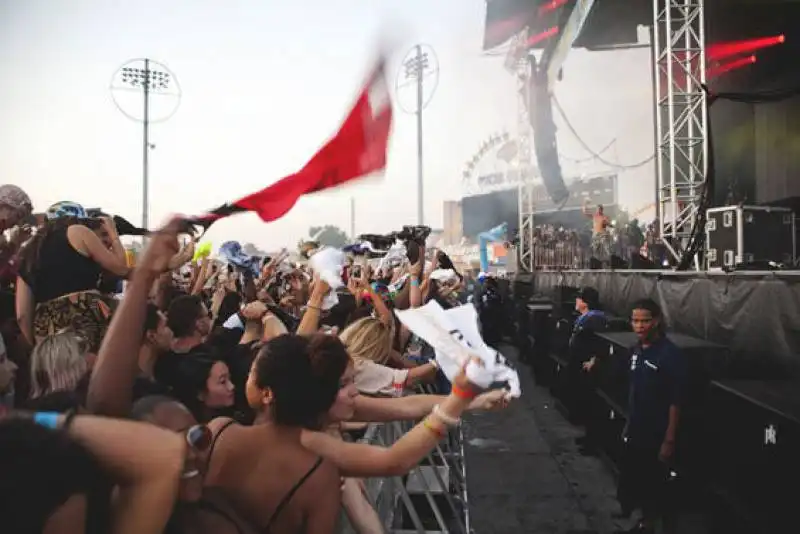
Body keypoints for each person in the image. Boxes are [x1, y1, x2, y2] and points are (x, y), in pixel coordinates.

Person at [615, 298, 688, 534]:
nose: (639, 326)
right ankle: (644, 522)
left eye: (644, 321)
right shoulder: (636, 350)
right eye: (635, 321)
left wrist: (669, 440)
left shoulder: (669, 355)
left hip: (657, 433)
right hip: (637, 429)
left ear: (656, 321)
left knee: (657, 486)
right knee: (640, 482)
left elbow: (675, 401)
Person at [567, 287, 607, 455]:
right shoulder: (586, 318)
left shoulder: (594, 319)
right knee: (585, 404)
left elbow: (600, 342)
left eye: (578, 299)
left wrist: (594, 360)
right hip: (580, 366)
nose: (576, 302)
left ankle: (592, 442)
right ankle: (588, 436)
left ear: (584, 302)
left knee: (592, 406)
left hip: (590, 369)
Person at [583, 199, 612, 267]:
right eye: (598, 209)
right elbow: (585, 212)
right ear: (596, 209)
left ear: (602, 209)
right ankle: (597, 262)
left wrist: (608, 224)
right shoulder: (594, 216)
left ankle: (609, 260)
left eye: (600, 209)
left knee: (606, 247)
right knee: (595, 249)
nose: (599, 210)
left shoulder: (605, 217)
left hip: (603, 234)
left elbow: (609, 224)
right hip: (596, 235)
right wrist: (585, 204)